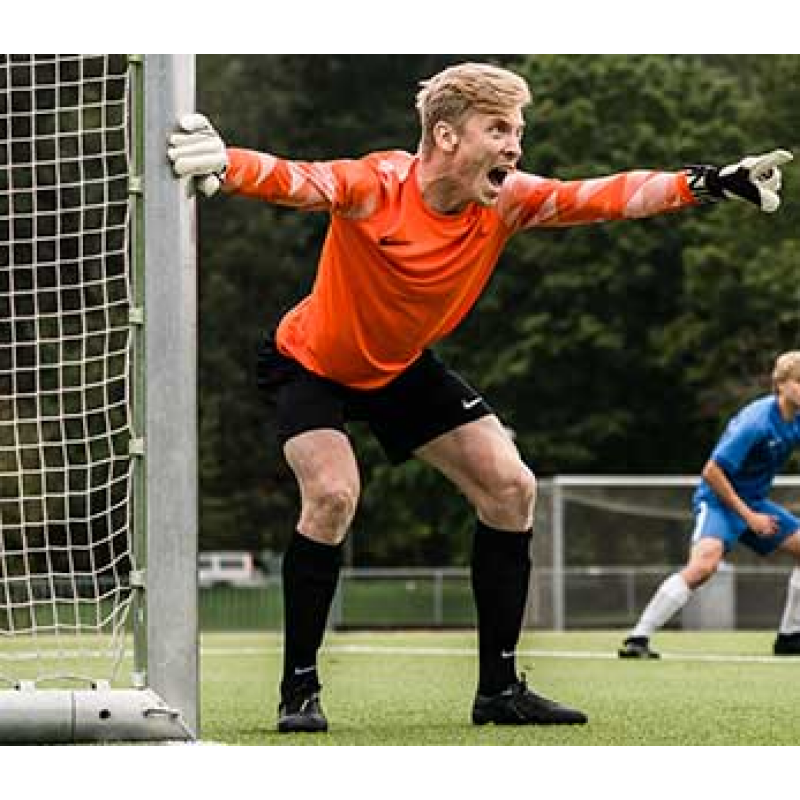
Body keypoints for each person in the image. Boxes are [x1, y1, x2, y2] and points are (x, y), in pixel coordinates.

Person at [167, 62, 792, 734]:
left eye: (518, 130)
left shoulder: (509, 202)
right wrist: (227, 162)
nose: (514, 146)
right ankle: (299, 688)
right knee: (334, 495)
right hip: (310, 363)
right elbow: (299, 178)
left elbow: (604, 194)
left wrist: (711, 183)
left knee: (511, 487)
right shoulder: (377, 186)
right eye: (498, 129)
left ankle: (499, 689)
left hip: (401, 368)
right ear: (445, 136)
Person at [620, 352, 800, 662]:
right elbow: (711, 471)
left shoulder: (795, 419)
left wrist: (753, 512)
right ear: (780, 385)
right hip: (718, 502)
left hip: (754, 504)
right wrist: (749, 517)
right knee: (703, 566)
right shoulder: (755, 422)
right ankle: (638, 638)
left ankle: (789, 637)